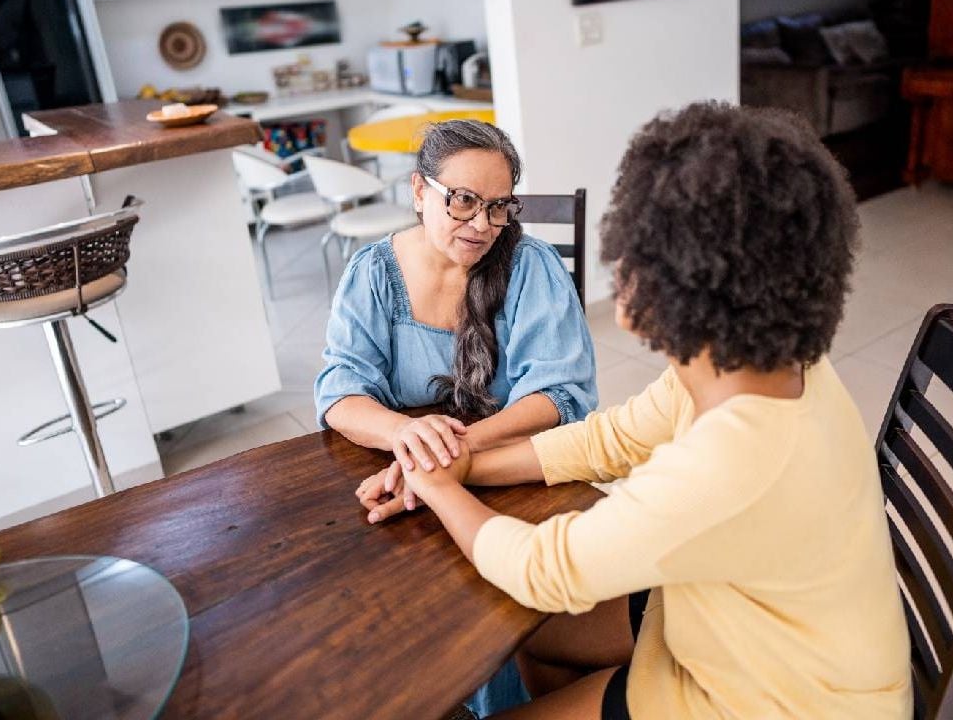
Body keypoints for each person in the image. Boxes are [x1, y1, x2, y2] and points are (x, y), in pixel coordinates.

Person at [356, 102, 912, 719]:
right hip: (732, 619)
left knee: (528, 614)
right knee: (530, 637)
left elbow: (546, 568)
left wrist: (434, 485)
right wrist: (460, 465)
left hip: (767, 698)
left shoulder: (729, 458)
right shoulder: (753, 364)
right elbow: (609, 439)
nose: (616, 270)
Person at [316, 119, 597, 716]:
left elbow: (561, 395)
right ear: (420, 191)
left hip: (509, 472)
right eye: (463, 201)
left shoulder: (531, 267)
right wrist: (404, 432)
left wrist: (450, 449)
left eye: (498, 208)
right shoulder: (373, 273)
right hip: (412, 485)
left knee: (491, 614)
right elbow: (340, 391)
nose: (482, 226)